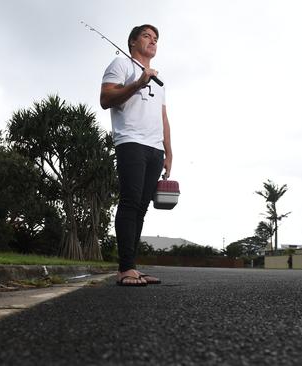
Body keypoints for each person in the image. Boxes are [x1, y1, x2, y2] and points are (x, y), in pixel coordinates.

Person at [100, 24, 173, 287]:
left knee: (141, 207)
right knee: (130, 202)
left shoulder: (159, 82)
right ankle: (125, 269)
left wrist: (169, 153)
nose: (152, 41)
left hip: (155, 148)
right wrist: (138, 82)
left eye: (156, 38)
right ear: (133, 42)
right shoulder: (121, 64)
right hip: (130, 141)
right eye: (146, 36)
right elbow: (106, 98)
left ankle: (133, 267)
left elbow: (163, 118)